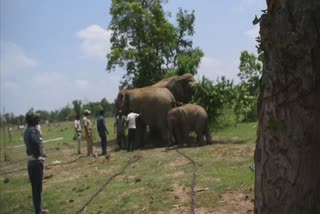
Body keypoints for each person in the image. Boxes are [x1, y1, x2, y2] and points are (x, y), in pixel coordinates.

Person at [24, 111, 47, 214]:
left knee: (35, 189)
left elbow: (27, 149)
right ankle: (38, 211)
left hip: (30, 163)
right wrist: (38, 153)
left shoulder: (26, 131)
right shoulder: (33, 130)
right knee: (38, 189)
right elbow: (35, 142)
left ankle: (38, 210)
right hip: (36, 162)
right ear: (32, 119)